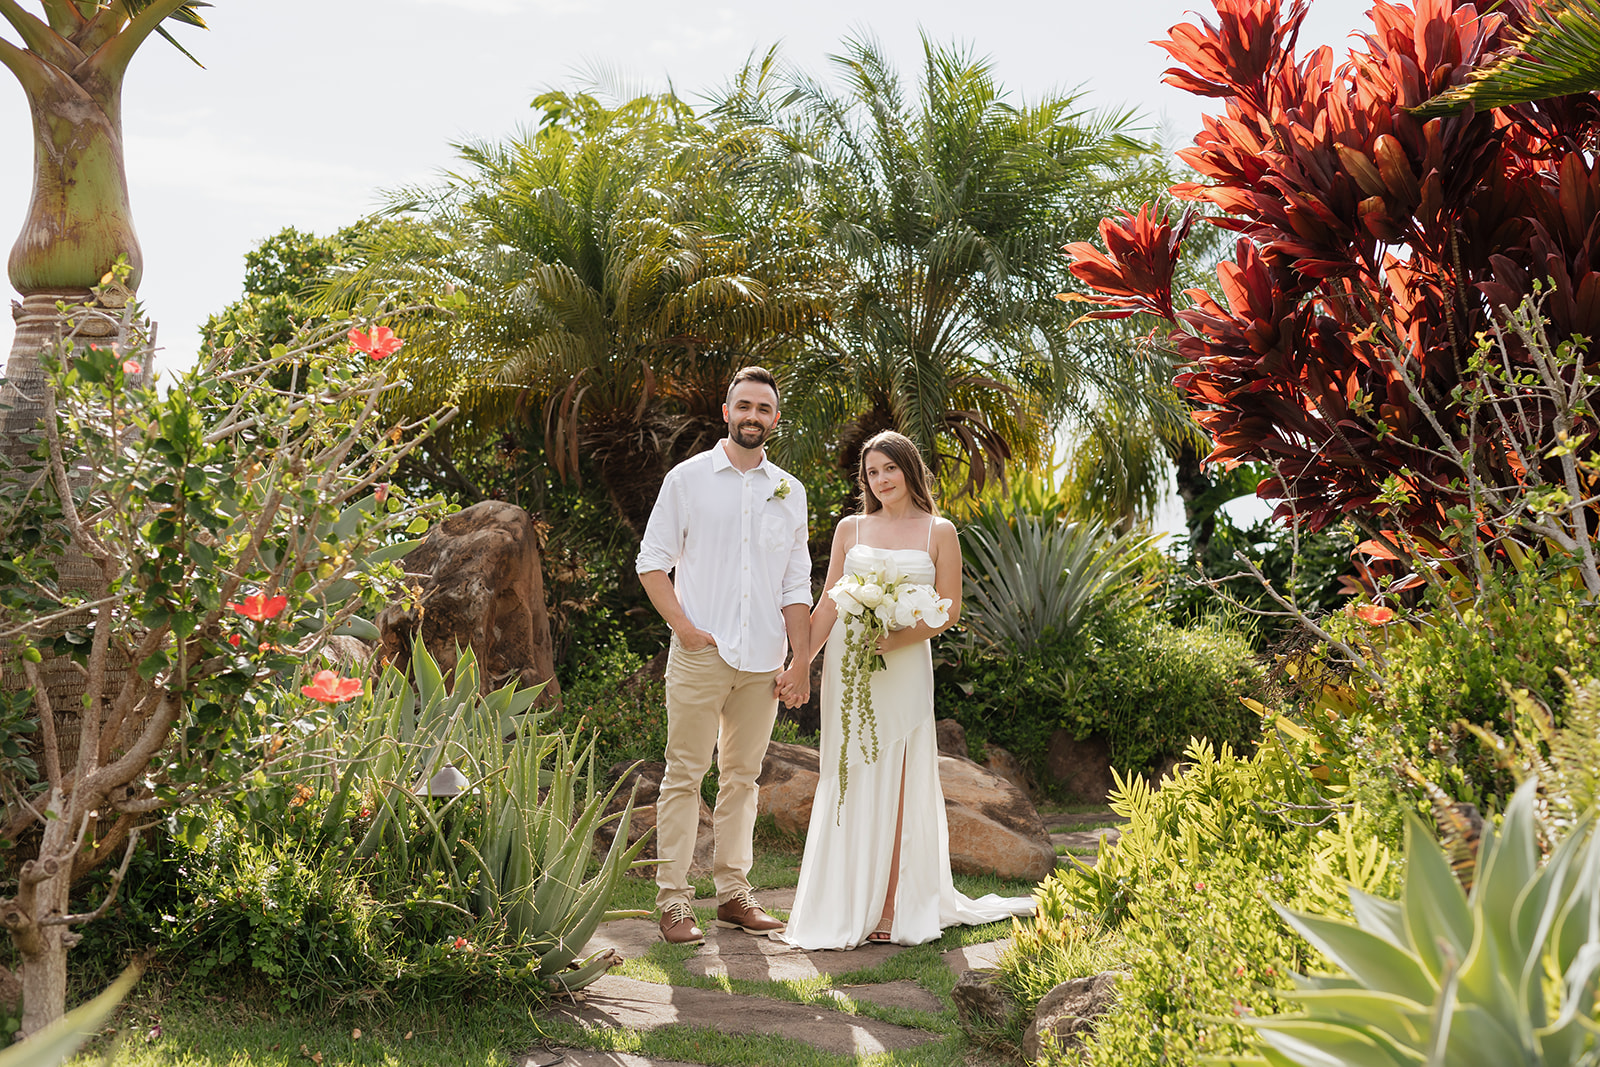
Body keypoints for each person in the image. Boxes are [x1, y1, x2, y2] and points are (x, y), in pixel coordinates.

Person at [776, 430, 1034, 949]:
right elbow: (827, 604)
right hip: (851, 667)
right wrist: (800, 662)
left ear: (909, 470)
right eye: (871, 472)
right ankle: (847, 900)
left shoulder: (940, 531)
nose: (880, 480)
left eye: (888, 469)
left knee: (898, 781)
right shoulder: (851, 528)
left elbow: (949, 609)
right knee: (848, 775)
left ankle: (893, 904)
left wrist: (896, 640)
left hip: (904, 661)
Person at [635, 366, 812, 945]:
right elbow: (651, 562)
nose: (753, 416)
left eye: (764, 408)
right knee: (684, 775)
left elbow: (795, 586)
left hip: (764, 659)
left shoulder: (790, 492)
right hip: (701, 653)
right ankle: (674, 903)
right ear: (726, 410)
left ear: (775, 420)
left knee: (742, 779)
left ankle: (734, 894)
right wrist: (684, 629)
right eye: (744, 405)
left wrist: (800, 660)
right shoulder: (686, 481)